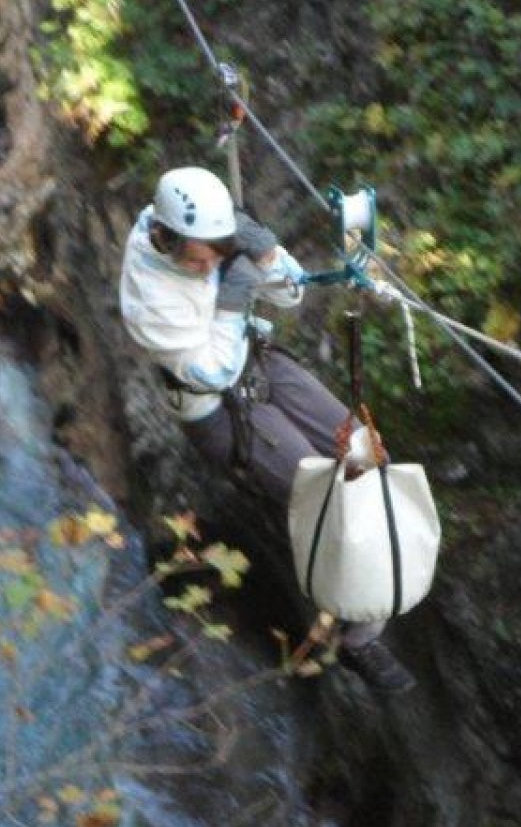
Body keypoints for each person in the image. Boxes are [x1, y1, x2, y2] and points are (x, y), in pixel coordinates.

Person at [119, 166, 415, 695]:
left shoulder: (202, 234)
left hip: (257, 362)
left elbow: (290, 294)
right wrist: (234, 298)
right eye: (199, 255)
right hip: (217, 408)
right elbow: (212, 369)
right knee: (326, 497)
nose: (208, 262)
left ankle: (377, 576)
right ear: (165, 238)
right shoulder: (148, 298)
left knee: (367, 457)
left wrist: (265, 255)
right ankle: (357, 636)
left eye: (216, 249)